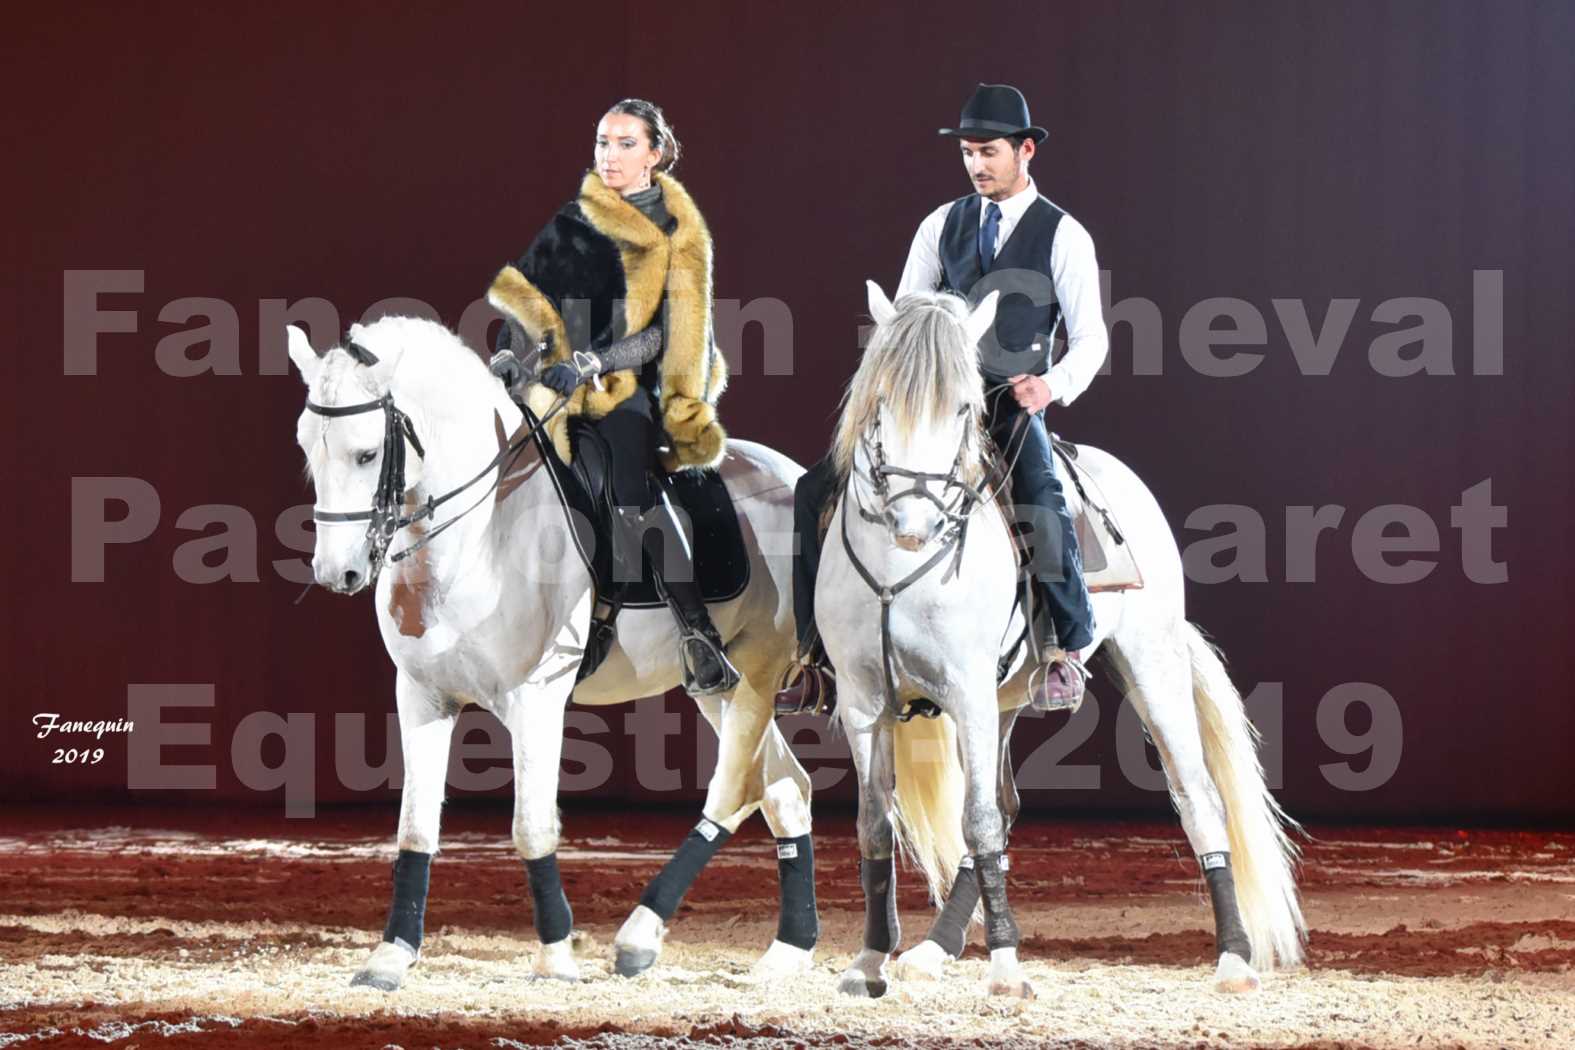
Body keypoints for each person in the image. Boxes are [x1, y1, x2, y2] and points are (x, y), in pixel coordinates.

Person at [775, 83, 1107, 716]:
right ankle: (814, 655)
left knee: (1039, 492)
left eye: (988, 152)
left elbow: (1091, 338)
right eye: (968, 154)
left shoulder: (1064, 236)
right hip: (933, 402)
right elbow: (904, 318)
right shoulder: (940, 223)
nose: (977, 165)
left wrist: (1051, 385)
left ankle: (1066, 647)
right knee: (814, 490)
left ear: (1026, 150)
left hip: (1010, 399)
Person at [487, 98, 739, 696]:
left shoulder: (679, 235)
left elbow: (671, 334)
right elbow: (527, 296)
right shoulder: (574, 218)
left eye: (626, 143)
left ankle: (694, 629)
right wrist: (504, 354)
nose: (610, 155)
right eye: (603, 142)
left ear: (655, 154)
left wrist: (596, 361)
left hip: (627, 385)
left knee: (629, 480)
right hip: (555, 383)